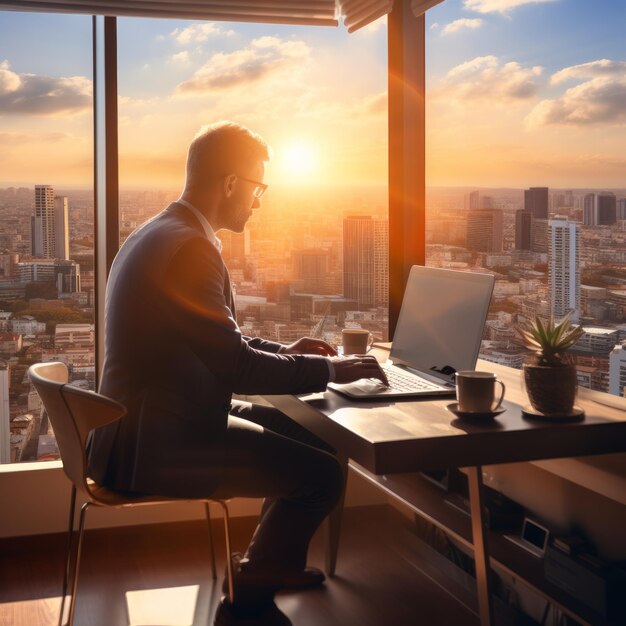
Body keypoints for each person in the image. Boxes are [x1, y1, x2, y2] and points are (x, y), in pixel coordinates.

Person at [88, 121, 388, 625]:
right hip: (157, 444)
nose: (258, 201)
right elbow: (234, 365)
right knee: (321, 476)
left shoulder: (163, 231)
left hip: (142, 428)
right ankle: (250, 600)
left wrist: (287, 352)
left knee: (304, 433)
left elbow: (218, 342)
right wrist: (329, 368)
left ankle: (266, 564)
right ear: (230, 184)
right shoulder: (190, 248)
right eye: (257, 188)